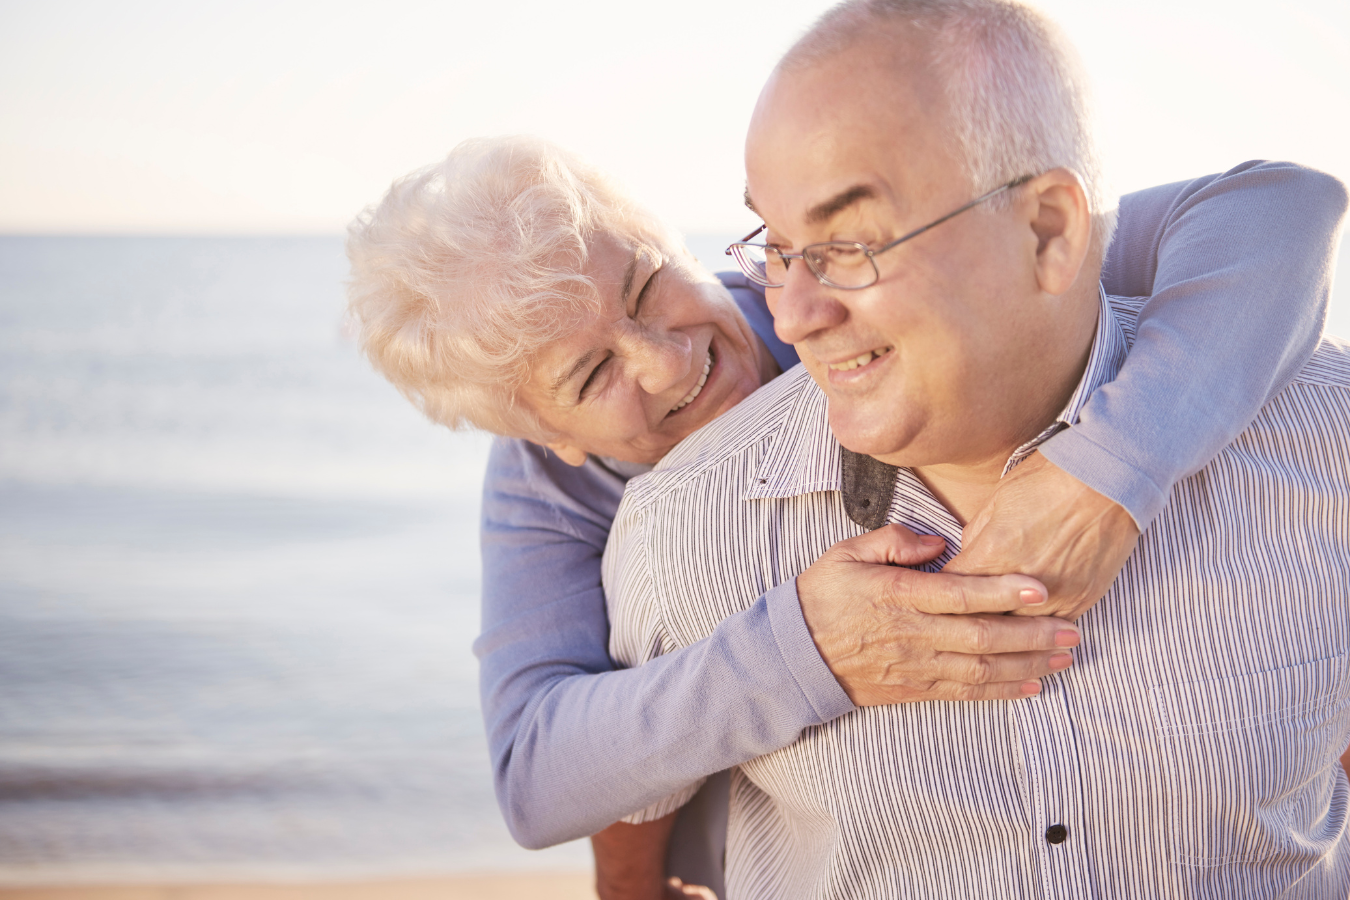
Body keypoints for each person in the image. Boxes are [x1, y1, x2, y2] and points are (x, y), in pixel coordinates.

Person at [346, 149, 1343, 900]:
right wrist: (812, 649)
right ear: (538, 434)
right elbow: (539, 777)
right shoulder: (563, 492)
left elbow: (1277, 209)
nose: (664, 359)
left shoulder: (839, 287)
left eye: (649, 289)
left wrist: (1110, 473)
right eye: (591, 375)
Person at [601, 0, 1350, 896]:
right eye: (780, 246)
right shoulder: (680, 531)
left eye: (847, 245)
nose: (793, 314)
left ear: (1048, 233)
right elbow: (626, 820)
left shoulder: (1321, 435)